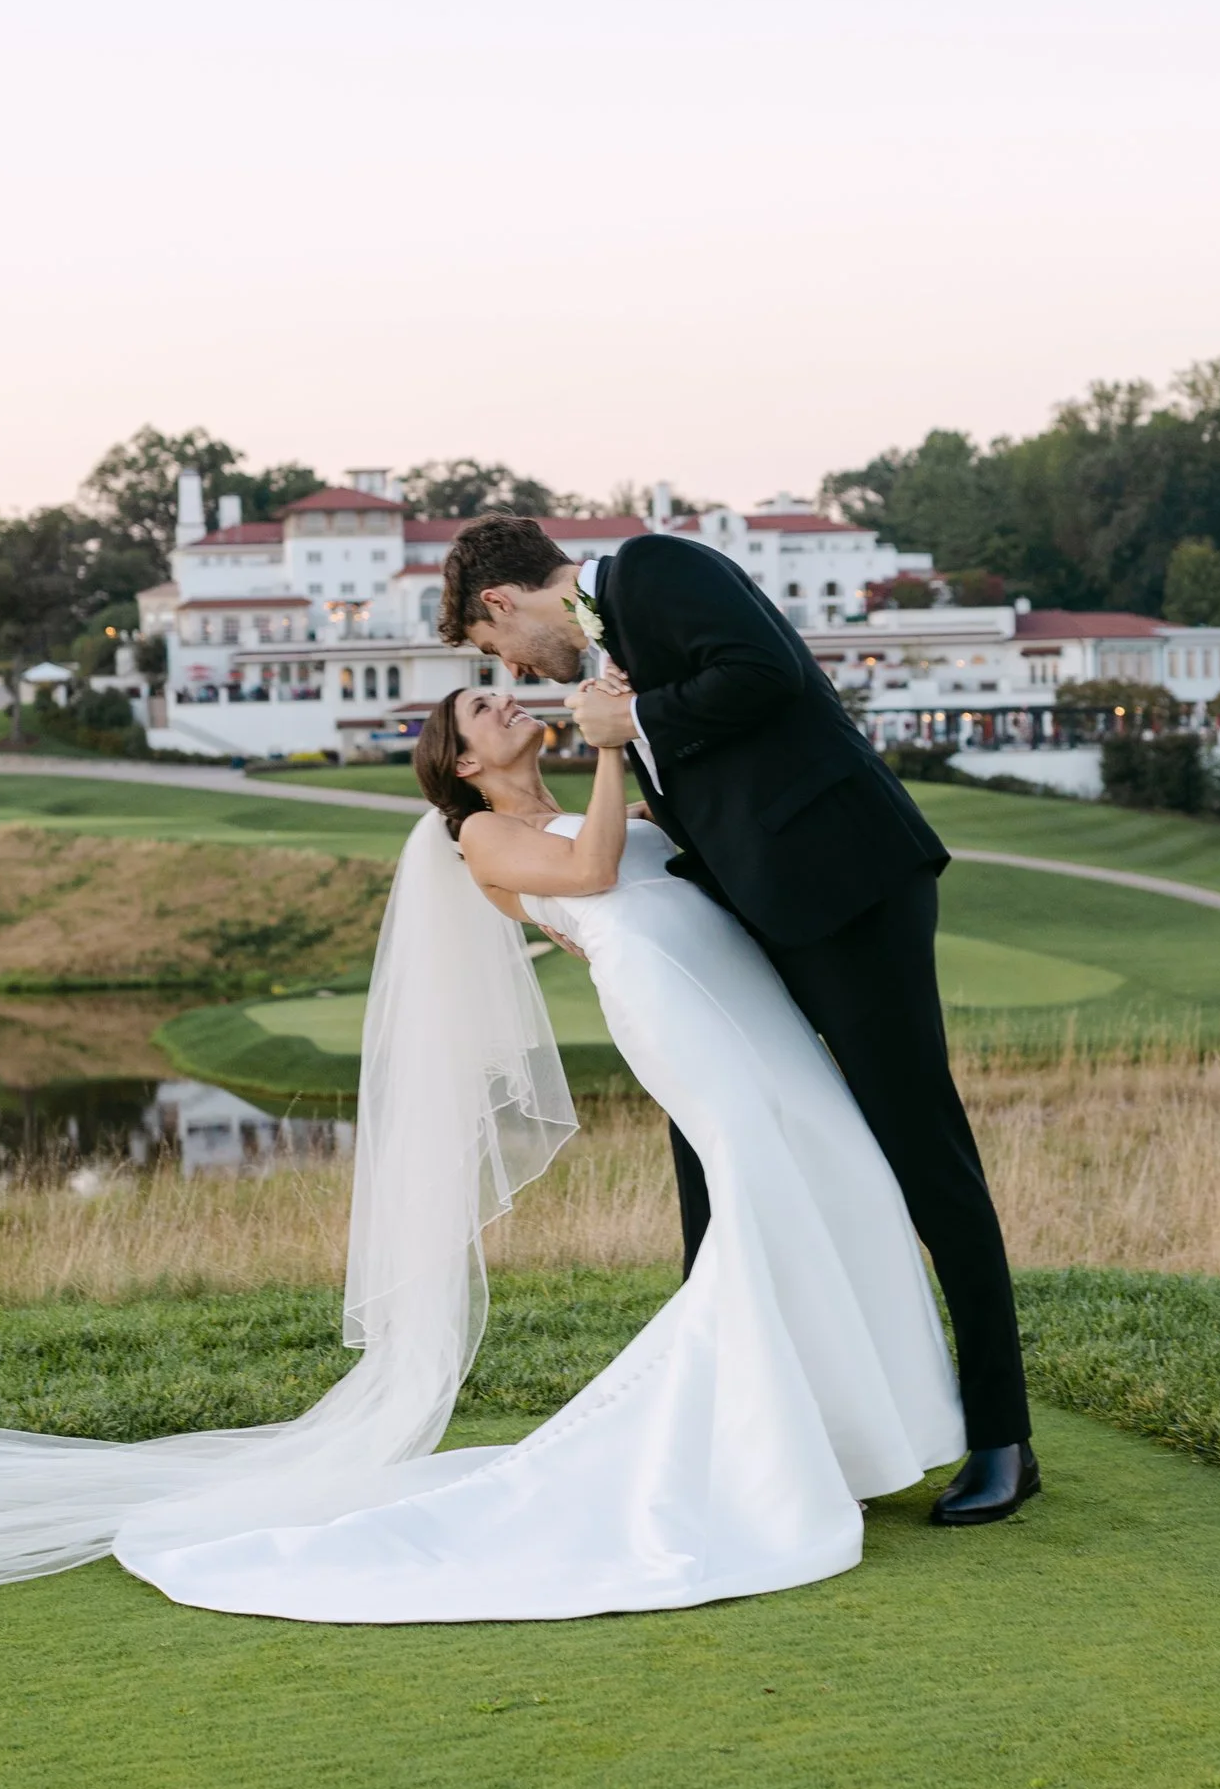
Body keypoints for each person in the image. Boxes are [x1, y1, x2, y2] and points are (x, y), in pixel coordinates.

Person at [0, 691, 965, 1619]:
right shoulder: (492, 838)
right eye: (488, 711)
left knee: (814, 1193)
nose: (508, 707)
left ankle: (832, 1423)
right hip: (677, 1025)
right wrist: (618, 744)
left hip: (728, 1008)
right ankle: (772, 1452)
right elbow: (601, 863)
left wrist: (627, 728)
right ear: (468, 770)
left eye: (500, 698)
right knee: (761, 1210)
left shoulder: (538, 793)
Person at [441, 513, 1036, 1524]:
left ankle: (1001, 1440)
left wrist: (631, 729)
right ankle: (738, 1424)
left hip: (846, 892)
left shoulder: (654, 570)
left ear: (498, 603)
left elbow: (770, 675)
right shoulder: (615, 644)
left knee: (921, 1152)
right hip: (756, 924)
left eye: (499, 651)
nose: (523, 671)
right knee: (716, 1168)